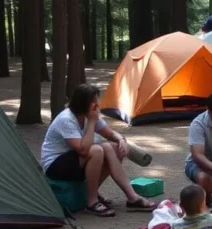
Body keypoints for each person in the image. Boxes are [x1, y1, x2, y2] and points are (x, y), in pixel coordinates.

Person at [40, 84, 159, 217]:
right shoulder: (66, 119)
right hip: (55, 164)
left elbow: (110, 134)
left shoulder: (91, 115)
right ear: (85, 103)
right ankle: (91, 202)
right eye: (95, 101)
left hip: (75, 161)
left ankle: (132, 197)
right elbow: (83, 150)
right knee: (97, 150)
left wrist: (120, 140)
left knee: (112, 147)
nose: (98, 103)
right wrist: (91, 122)